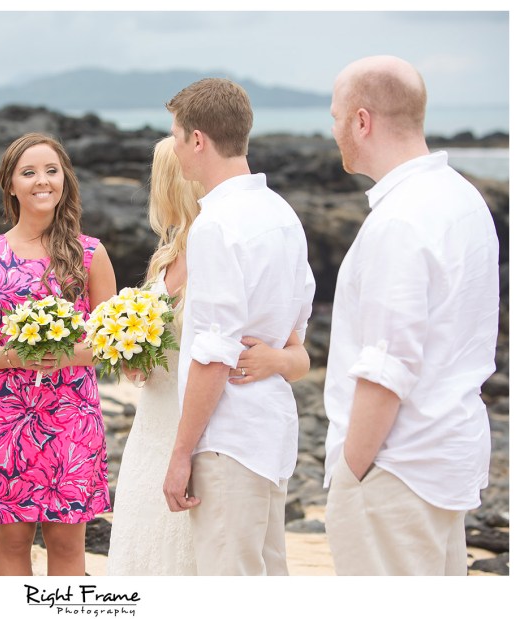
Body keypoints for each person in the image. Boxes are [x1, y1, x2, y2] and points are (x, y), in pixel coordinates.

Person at [323, 55, 499, 576]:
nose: (333, 131)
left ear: (362, 120)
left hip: (395, 469)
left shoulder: (400, 220)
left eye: (336, 117)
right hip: (445, 455)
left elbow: (388, 365)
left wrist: (353, 470)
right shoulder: (463, 198)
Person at [106, 136, 311, 576]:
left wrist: (275, 360)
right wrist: (130, 354)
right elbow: (160, 352)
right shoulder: (164, 261)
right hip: (159, 419)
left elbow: (286, 351)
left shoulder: (221, 236)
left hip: (209, 426)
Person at [161, 79, 316, 576]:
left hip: (227, 436)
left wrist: (181, 453)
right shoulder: (282, 213)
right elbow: (297, 328)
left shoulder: (217, 224)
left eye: (178, 136)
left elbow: (212, 353)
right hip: (271, 431)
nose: (177, 149)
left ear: (199, 140)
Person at [0, 132, 117, 576]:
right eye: (28, 173)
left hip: (71, 415)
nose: (41, 181)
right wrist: (14, 356)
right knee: (12, 540)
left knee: (67, 542)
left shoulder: (90, 255)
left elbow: (113, 343)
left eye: (51, 170)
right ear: (10, 185)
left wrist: (68, 357)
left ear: (65, 179)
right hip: (5, 420)